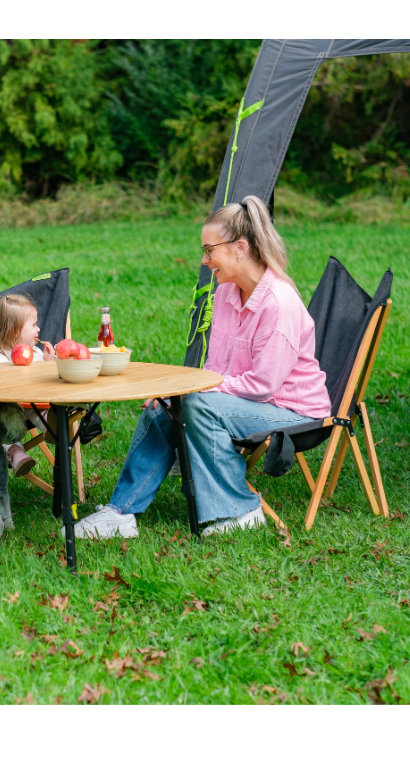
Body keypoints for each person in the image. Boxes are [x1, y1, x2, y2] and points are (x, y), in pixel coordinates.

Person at [70, 195, 331, 539]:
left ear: (240, 248)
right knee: (165, 406)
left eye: (210, 250)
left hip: (294, 413)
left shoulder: (278, 304)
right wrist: (175, 393)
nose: (205, 260)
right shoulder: (225, 294)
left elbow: (263, 385)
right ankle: (122, 511)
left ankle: (241, 510)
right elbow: (215, 367)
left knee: (195, 404)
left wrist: (194, 393)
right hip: (249, 402)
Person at [0, 293, 55, 477]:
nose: (38, 328)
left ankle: (51, 426)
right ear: (13, 330)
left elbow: (46, 381)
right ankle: (16, 454)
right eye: (33, 325)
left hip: (31, 405)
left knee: (41, 410)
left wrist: (49, 363)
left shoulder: (35, 353)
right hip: (0, 409)